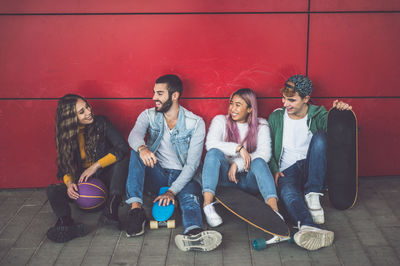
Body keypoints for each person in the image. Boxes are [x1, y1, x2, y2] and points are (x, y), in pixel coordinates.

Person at [125, 74, 222, 252]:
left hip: (183, 175)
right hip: (157, 172)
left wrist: (172, 191)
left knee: (189, 200)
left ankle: (194, 234)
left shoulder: (195, 123)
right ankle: (136, 211)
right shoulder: (149, 115)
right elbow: (134, 135)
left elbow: (192, 166)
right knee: (135, 152)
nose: (154, 97)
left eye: (160, 93)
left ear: (175, 95)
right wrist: (142, 149)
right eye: (154, 93)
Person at [268, 74, 352, 251]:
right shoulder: (276, 117)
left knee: (321, 137)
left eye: (291, 100)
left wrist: (340, 114)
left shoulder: (318, 114)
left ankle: (313, 194)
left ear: (306, 99)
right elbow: (267, 147)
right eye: (284, 98)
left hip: (312, 168)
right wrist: (274, 169)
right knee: (289, 194)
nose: (285, 104)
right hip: (287, 171)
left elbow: (339, 133)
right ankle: (308, 227)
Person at [46, 94, 130, 243]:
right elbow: (64, 165)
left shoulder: (101, 123)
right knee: (52, 190)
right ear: (71, 118)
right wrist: (70, 184)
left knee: (122, 159)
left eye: (87, 106)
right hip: (84, 183)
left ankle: (111, 210)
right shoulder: (66, 135)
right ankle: (65, 223)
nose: (89, 112)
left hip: (105, 176)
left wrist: (96, 166)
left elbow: (122, 147)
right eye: (81, 111)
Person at [202, 88, 280, 228]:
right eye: (231, 103)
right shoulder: (220, 121)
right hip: (226, 179)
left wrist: (237, 164)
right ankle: (207, 206)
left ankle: (274, 211)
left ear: (250, 108)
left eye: (238, 105)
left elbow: (265, 153)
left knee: (259, 162)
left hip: (249, 181)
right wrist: (239, 148)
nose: (232, 108)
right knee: (213, 153)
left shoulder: (261, 125)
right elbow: (210, 144)